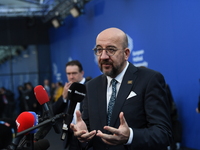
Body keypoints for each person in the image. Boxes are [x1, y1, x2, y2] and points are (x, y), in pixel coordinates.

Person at [70, 27, 172, 150]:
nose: (103, 56)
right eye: (99, 50)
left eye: (111, 50)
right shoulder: (91, 86)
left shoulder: (149, 79)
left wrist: (130, 136)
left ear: (126, 53)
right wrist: (83, 135)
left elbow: (163, 134)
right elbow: (88, 130)